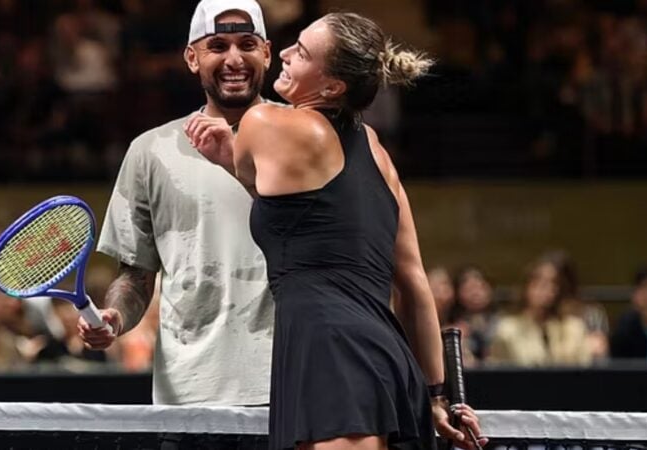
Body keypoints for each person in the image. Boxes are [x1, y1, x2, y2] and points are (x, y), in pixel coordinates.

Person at [186, 12, 485, 450]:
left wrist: (234, 158)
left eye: (302, 52)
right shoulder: (377, 150)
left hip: (334, 357)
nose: (285, 53)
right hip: (391, 363)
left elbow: (256, 175)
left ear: (332, 87)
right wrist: (436, 395)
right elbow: (413, 282)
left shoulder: (263, 121)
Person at [79, 0, 275, 406]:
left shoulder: (309, 138)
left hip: (289, 384)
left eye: (247, 44)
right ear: (192, 58)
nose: (234, 59)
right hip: (188, 390)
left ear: (267, 54)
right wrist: (116, 316)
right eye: (217, 46)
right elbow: (136, 275)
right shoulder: (150, 151)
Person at [488, 256, 592, 367]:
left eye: (552, 284)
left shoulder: (574, 327)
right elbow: (497, 370)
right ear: (526, 287)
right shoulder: (507, 329)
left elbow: (584, 367)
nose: (545, 290)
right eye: (538, 283)